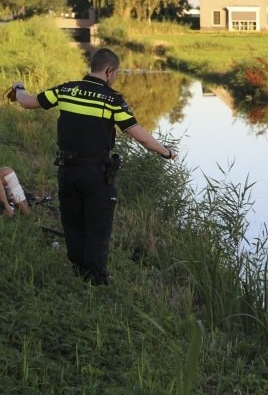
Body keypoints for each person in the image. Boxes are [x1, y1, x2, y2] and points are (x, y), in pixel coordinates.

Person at [11, 47, 177, 285]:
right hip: (96, 174)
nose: (115, 77)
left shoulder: (66, 89)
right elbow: (140, 135)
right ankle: (96, 282)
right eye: (116, 73)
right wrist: (167, 152)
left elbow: (27, 102)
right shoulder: (113, 100)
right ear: (109, 71)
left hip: (67, 172)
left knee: (73, 221)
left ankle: (79, 271)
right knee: (98, 227)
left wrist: (18, 88)